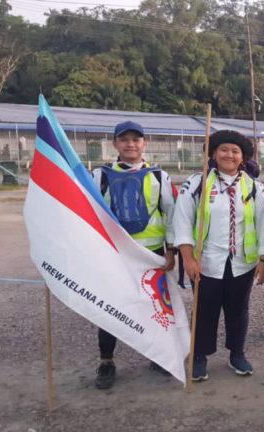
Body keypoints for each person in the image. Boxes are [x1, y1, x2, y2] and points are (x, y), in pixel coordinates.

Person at [173, 130, 264, 382]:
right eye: (224, 149)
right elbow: (182, 221)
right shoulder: (197, 183)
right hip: (205, 262)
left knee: (238, 310)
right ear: (214, 154)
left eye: (235, 151)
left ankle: (237, 353)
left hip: (242, 263)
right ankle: (199, 356)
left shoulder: (254, 187)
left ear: (242, 158)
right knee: (204, 311)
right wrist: (188, 258)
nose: (229, 155)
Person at [91, 120, 177, 389]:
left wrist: (171, 250)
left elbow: (171, 214)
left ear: (144, 143)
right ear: (115, 144)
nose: (130, 144)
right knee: (111, 308)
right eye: (124, 139)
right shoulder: (100, 176)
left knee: (155, 308)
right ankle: (106, 361)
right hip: (115, 254)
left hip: (151, 255)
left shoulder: (159, 176)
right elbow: (91, 212)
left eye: (136, 139)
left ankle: (157, 355)